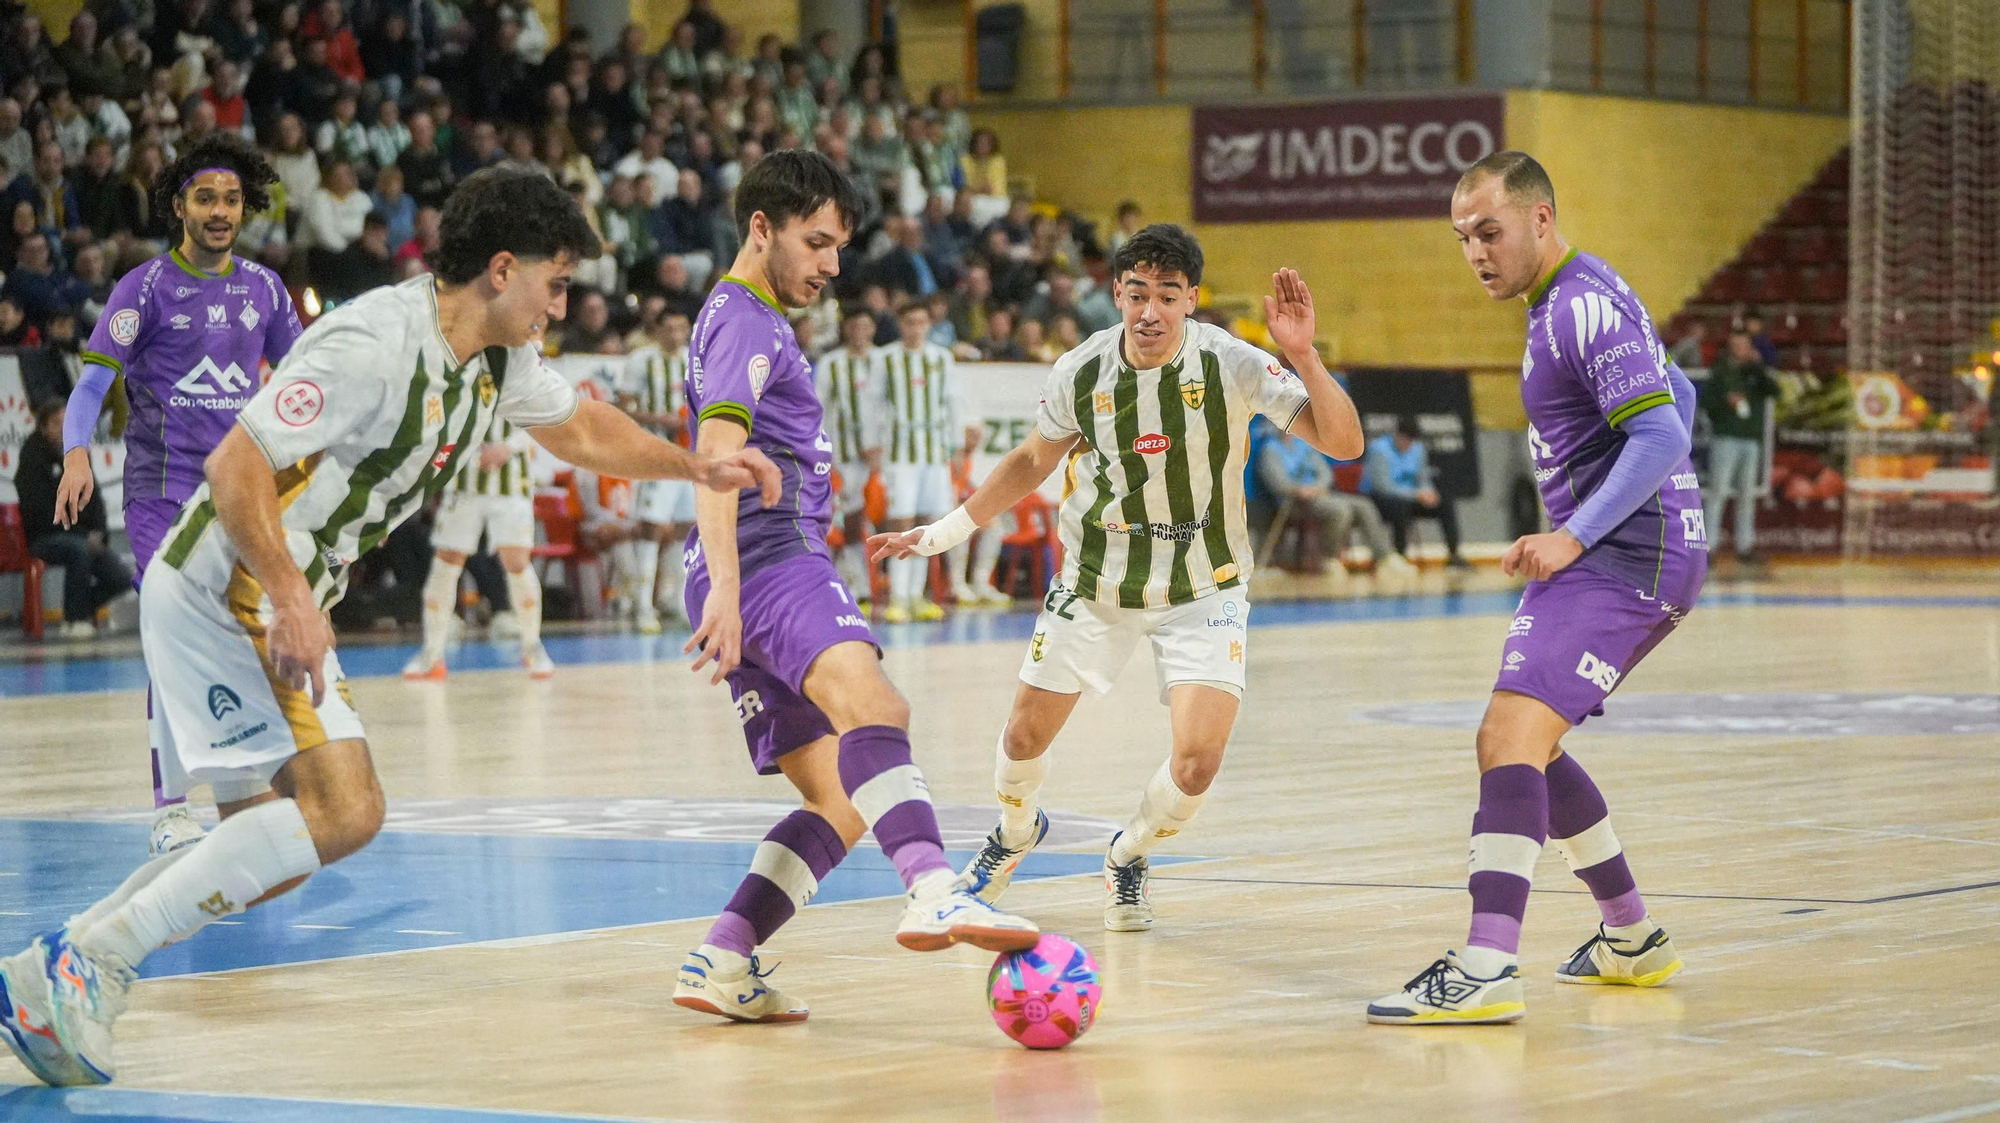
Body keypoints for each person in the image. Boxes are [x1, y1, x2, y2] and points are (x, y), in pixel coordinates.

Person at [0, 165, 781, 1089]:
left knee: (277, 849)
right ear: (502, 268)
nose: (563, 304)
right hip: (235, 583)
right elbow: (233, 464)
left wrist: (695, 466)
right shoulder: (371, 340)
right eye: (556, 281)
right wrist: (294, 594)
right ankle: (90, 964)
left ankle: (57, 963)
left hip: (265, 586)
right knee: (346, 809)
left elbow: (580, 430)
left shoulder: (497, 359)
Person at [873, 226, 1365, 932]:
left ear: (1191, 300)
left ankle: (1128, 852)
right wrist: (945, 531)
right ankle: (1014, 834)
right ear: (1117, 294)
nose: (1151, 311)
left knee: (1196, 766)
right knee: (1020, 738)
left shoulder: (1232, 361)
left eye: (1168, 295)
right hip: (1097, 581)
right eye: (1138, 294)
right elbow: (1030, 462)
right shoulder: (1080, 369)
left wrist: (1304, 355)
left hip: (1206, 588)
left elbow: (1343, 443)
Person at [672, 149, 1038, 1026]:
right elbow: (716, 460)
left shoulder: (738, 315)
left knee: (838, 795)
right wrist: (729, 585)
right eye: (818, 242)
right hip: (770, 558)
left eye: (840, 246)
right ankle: (936, 889)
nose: (833, 266)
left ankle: (722, 955)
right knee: (879, 705)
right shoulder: (748, 322)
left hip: (745, 569)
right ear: (761, 228)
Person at [1366, 152, 1705, 1026]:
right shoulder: (1571, 297)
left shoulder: (1580, 306)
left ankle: (1486, 965)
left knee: (1506, 734)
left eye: (1491, 231)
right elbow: (1686, 393)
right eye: (1464, 237)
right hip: (1625, 552)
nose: (1477, 251)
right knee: (1534, 744)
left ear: (1542, 218)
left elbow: (1665, 432)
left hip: (1624, 558)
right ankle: (1630, 936)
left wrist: (1575, 532)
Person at [53, 133, 301, 858]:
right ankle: (168, 808)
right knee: (171, 643)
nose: (220, 211)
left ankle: (246, 791)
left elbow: (302, 380)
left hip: (244, 496)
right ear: (179, 206)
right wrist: (75, 453)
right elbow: (93, 386)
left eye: (230, 199)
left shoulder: (265, 288)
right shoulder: (144, 288)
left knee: (243, 641)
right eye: (205, 198)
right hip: (163, 495)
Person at [401, 412, 551, 679]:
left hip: (511, 485)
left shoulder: (522, 371)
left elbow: (543, 417)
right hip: (462, 483)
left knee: (517, 563)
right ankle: (431, 653)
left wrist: (507, 447)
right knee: (445, 563)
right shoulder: (454, 371)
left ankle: (532, 646)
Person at [875, 299, 973, 622]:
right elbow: (872, 404)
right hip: (901, 451)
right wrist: (872, 444)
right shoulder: (885, 358)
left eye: (921, 322)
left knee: (927, 520)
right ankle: (898, 596)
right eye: (909, 322)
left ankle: (916, 596)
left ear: (928, 325)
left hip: (933, 452)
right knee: (900, 518)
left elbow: (954, 403)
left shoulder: (940, 358)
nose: (915, 328)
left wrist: (957, 447)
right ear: (901, 325)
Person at [14, 401, 133, 637]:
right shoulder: (32, 458)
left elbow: (94, 498)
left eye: (67, 423)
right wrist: (82, 535)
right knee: (78, 550)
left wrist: (100, 533)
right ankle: (75, 619)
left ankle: (80, 610)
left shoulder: (77, 453)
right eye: (57, 423)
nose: (63, 429)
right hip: (45, 537)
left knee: (120, 577)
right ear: (44, 427)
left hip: (83, 536)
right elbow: (38, 512)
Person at [617, 307, 694, 631]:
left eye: (681, 327)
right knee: (651, 527)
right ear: (658, 330)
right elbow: (623, 408)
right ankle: (641, 604)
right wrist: (659, 419)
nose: (676, 334)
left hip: (689, 456)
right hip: (653, 455)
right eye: (670, 328)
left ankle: (673, 599)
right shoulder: (641, 360)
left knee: (685, 526)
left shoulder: (695, 358)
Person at [1256, 422, 1407, 583]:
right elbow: (1276, 482)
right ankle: (1330, 559)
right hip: (1293, 503)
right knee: (1340, 510)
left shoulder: (1305, 446)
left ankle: (1385, 557)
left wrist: (1316, 487)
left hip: (1320, 494)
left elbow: (1326, 473)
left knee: (1364, 505)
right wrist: (1298, 489)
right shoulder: (1270, 450)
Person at [814, 304, 883, 605]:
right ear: (845, 330)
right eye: (853, 326)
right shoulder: (831, 364)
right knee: (847, 521)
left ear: (872, 330)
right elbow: (817, 408)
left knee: (889, 519)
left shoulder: (886, 361)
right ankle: (854, 584)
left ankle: (893, 587)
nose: (859, 332)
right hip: (842, 456)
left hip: (883, 457)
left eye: (864, 326)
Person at [1700, 329, 1776, 569]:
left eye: (1743, 344)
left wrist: (1759, 367)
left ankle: (1745, 546)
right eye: (1735, 344)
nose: (1739, 349)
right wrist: (1725, 403)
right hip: (1726, 438)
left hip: (1749, 440)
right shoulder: (1721, 371)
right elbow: (1707, 402)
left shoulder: (1755, 371)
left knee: (1746, 495)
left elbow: (1774, 391)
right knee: (1717, 493)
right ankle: (1707, 547)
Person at [1363, 416, 1470, 569]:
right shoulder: (1378, 449)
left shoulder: (1417, 449)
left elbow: (1423, 478)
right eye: (1404, 440)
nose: (1407, 444)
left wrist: (1428, 492)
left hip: (1412, 498)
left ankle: (1454, 555)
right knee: (1399, 506)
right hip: (1381, 499)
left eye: (1411, 441)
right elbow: (1383, 487)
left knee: (1445, 503)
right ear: (1396, 434)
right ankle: (1399, 557)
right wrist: (1415, 495)